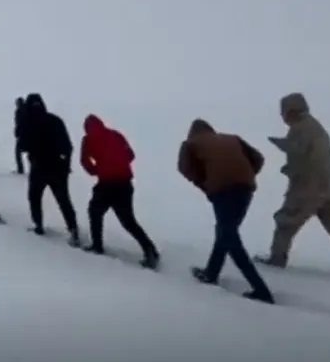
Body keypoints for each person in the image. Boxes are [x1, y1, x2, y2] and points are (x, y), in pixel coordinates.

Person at [257, 93, 330, 279]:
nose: (283, 117)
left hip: (307, 190)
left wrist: (284, 151)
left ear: (290, 111)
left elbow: (299, 155)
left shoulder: (300, 129)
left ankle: (276, 259)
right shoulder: (315, 127)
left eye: (284, 113)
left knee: (285, 224)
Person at [178, 118, 274, 304]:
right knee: (224, 232)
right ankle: (210, 274)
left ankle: (261, 290)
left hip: (222, 191)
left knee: (230, 238)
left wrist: (205, 183)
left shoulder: (190, 144)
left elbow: (184, 168)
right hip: (245, 189)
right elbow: (259, 159)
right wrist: (244, 174)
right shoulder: (232, 138)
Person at [80, 114, 160, 269]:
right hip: (124, 183)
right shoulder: (115, 134)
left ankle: (97, 246)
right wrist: (119, 165)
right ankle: (150, 250)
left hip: (106, 184)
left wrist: (98, 170)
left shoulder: (88, 140)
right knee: (128, 221)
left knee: (95, 212)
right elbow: (130, 155)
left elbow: (85, 161)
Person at [20, 93, 80, 245]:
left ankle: (38, 226)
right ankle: (73, 230)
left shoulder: (28, 123)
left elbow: (22, 146)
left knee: (34, 197)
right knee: (63, 200)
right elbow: (68, 146)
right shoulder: (55, 120)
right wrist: (66, 165)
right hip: (58, 168)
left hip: (39, 167)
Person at [13, 97, 27, 174]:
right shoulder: (29, 110)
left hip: (23, 136)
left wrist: (17, 133)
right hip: (30, 135)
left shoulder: (19, 111)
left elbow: (19, 124)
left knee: (18, 153)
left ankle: (20, 169)